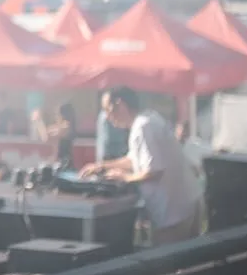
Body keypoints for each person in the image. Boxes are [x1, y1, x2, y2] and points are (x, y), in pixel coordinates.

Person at [82, 87, 202, 246]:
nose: (107, 117)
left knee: (167, 266)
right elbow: (134, 160)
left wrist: (125, 178)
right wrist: (101, 166)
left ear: (120, 104)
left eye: (107, 110)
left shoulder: (143, 127)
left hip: (172, 215)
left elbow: (154, 170)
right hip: (185, 206)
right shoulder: (148, 119)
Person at [95, 89, 129, 165]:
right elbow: (107, 140)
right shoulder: (108, 116)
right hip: (113, 156)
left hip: (107, 157)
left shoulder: (102, 115)